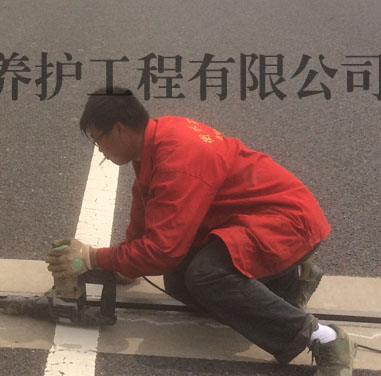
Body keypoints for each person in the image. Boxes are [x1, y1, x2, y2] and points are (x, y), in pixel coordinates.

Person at [46, 87, 355, 376]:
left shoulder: (177, 159)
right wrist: (120, 265)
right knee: (179, 279)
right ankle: (288, 284)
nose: (99, 150)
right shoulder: (155, 142)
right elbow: (147, 212)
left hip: (287, 223)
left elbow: (162, 251)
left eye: (97, 139)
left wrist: (92, 257)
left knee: (206, 277)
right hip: (253, 222)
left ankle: (324, 338)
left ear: (118, 129)